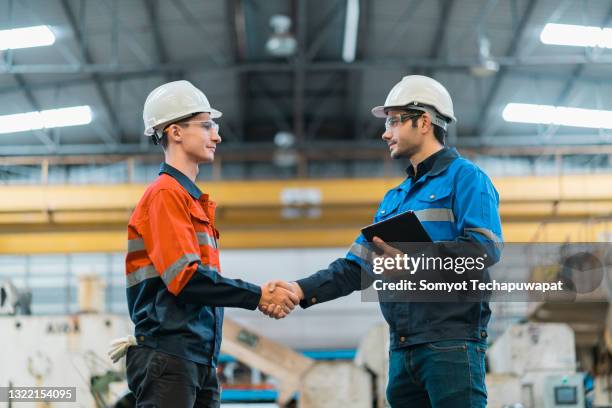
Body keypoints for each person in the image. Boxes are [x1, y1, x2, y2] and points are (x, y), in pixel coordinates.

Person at [261, 75, 503, 407]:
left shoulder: (467, 178)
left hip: (451, 343)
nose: (385, 132)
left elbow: (483, 249)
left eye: (393, 121)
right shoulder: (394, 199)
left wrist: (417, 261)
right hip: (402, 348)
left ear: (423, 121)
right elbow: (355, 267)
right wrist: (299, 290)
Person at [122, 80, 299, 407]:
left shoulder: (189, 200)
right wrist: (258, 295)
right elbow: (186, 279)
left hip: (196, 357)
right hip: (170, 356)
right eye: (206, 126)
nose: (216, 135)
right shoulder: (165, 195)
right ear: (175, 132)